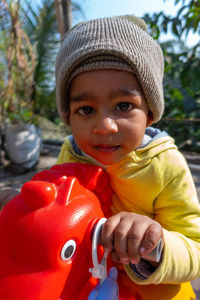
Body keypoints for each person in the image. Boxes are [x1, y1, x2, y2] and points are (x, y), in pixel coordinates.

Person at [55, 16, 200, 299]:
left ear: (149, 114)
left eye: (123, 106)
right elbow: (54, 215)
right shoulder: (70, 154)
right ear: (68, 116)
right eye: (86, 109)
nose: (104, 126)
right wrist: (20, 207)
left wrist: (154, 244)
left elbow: (194, 248)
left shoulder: (164, 165)